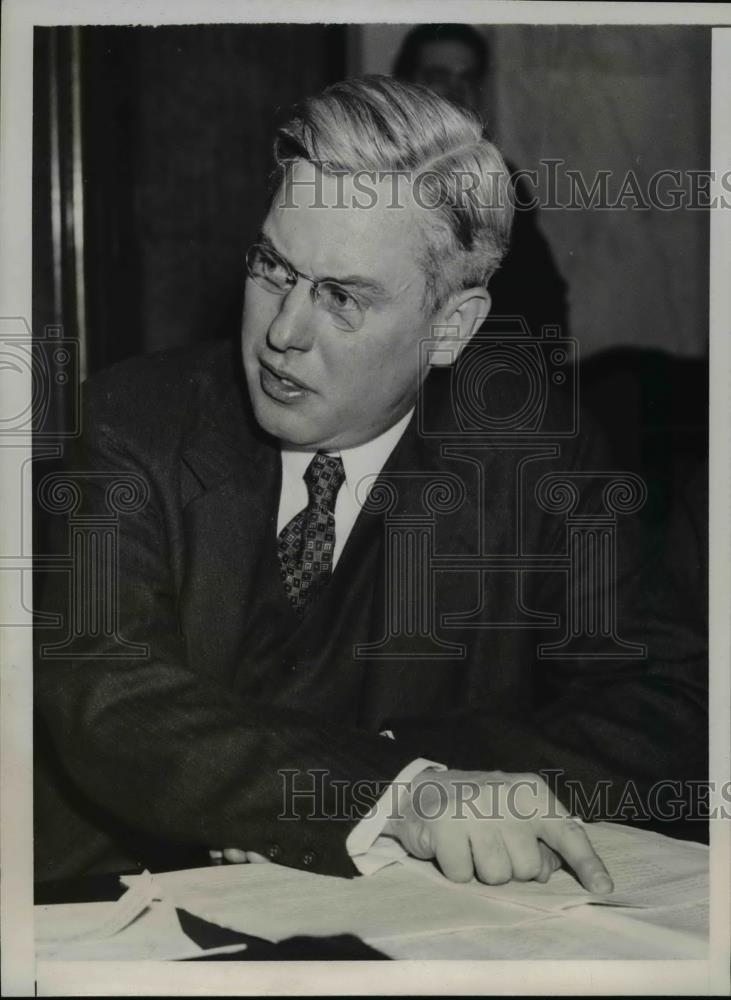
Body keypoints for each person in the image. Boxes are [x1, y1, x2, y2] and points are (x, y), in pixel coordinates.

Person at [34, 76, 706, 890]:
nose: (283, 332)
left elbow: (669, 703)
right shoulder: (128, 423)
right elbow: (110, 695)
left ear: (450, 328)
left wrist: (407, 776)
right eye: (271, 269)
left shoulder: (539, 461)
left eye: (341, 298)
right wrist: (393, 792)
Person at [393, 23, 570, 337]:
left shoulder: (504, 179)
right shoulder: (371, 168)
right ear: (405, 84)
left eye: (468, 79)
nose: (457, 91)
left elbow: (542, 296)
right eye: (438, 77)